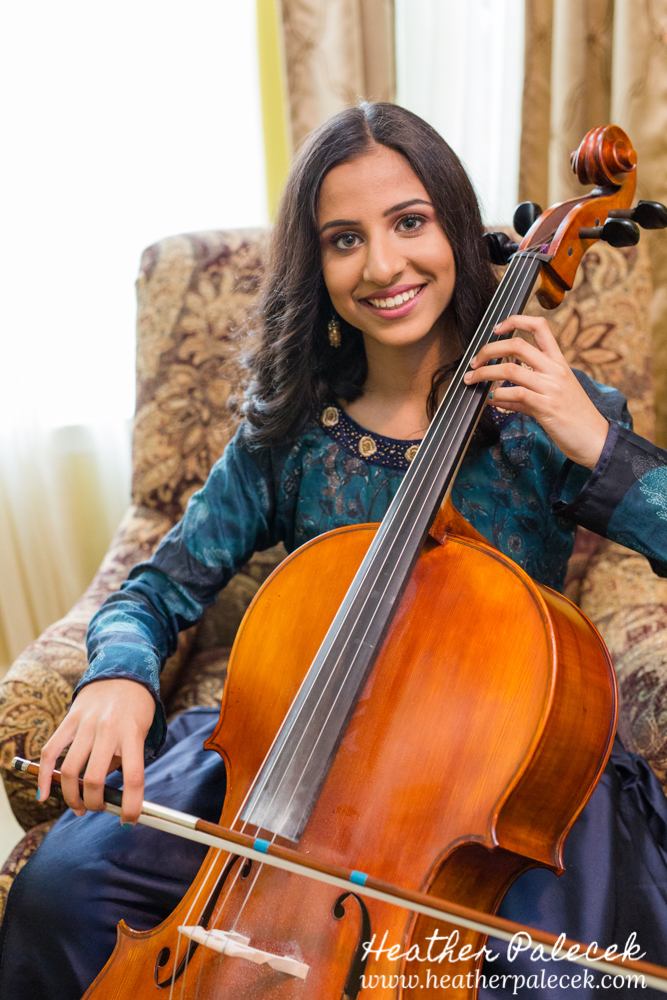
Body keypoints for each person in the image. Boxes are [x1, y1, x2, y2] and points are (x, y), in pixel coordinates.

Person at [0, 101, 666, 1000]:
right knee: (61, 890)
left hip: (495, 777)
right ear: (315, 265)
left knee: (551, 980)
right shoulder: (289, 433)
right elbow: (156, 588)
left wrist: (591, 439)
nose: (383, 265)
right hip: (295, 745)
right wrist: (118, 673)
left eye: (409, 222)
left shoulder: (545, 414)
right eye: (343, 238)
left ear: (458, 230)